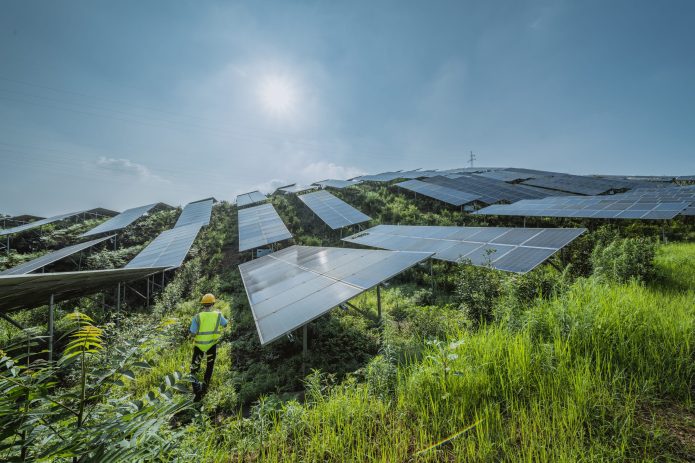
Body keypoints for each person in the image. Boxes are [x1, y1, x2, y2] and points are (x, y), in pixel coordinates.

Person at [189, 293, 228, 400]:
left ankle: (197, 393)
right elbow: (225, 324)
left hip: (199, 347)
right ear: (213, 303)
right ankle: (205, 388)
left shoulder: (198, 317)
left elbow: (192, 332)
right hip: (212, 345)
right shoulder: (218, 315)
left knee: (194, 369)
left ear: (203, 305)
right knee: (209, 367)